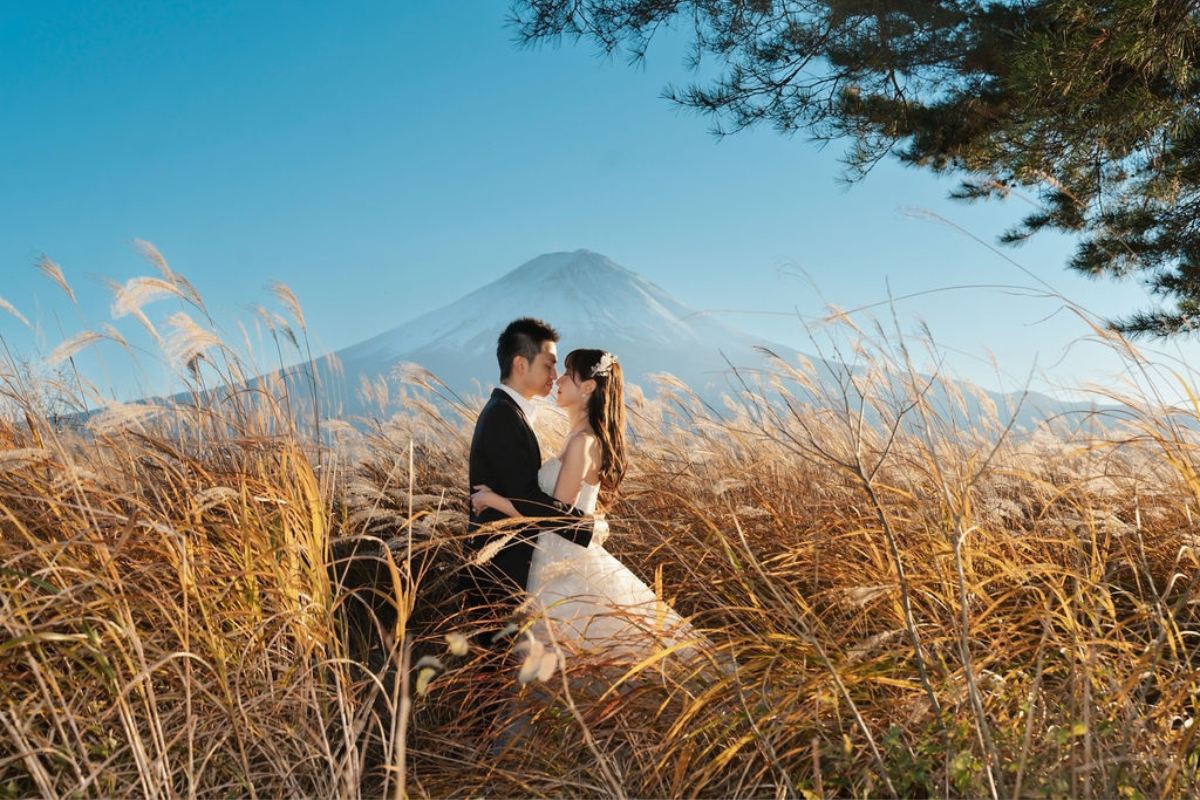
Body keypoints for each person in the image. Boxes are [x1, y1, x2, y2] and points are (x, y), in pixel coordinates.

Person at [472, 348, 700, 663]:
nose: (558, 379)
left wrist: (493, 500)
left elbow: (556, 518)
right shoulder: (581, 437)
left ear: (589, 387)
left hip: (558, 565)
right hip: (555, 556)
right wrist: (596, 524)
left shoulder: (582, 443)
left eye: (568, 374)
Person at [462, 318, 593, 620]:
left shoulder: (508, 412)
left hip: (507, 570)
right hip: (498, 574)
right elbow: (528, 500)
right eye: (549, 365)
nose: (555, 375)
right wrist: (585, 526)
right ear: (521, 365)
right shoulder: (502, 417)